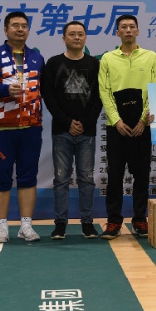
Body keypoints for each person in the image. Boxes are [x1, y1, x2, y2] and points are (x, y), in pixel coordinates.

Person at [0, 11, 45, 244]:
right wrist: (5, 90)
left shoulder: (37, 57)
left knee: (28, 176)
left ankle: (26, 225)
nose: (20, 29)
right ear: (6, 30)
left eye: (24, 25)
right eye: (15, 25)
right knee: (1, 176)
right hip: (1, 127)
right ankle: (1, 226)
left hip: (31, 126)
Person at [98, 14, 156, 239]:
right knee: (115, 175)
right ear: (117, 32)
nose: (128, 30)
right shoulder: (108, 58)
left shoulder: (150, 56)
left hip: (143, 124)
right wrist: (116, 120)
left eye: (132, 26)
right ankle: (114, 221)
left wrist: (143, 119)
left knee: (141, 174)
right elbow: (104, 90)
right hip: (117, 126)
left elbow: (154, 87)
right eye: (123, 27)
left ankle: (140, 219)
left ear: (138, 31)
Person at [40, 21, 103, 240]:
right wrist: (67, 122)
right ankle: (60, 224)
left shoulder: (94, 64)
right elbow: (49, 96)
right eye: (72, 34)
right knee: (61, 180)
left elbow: (99, 96)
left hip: (87, 132)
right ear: (64, 38)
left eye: (80, 34)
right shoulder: (54, 63)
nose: (76, 38)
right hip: (61, 131)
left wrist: (85, 122)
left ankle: (87, 223)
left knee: (87, 178)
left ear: (85, 37)